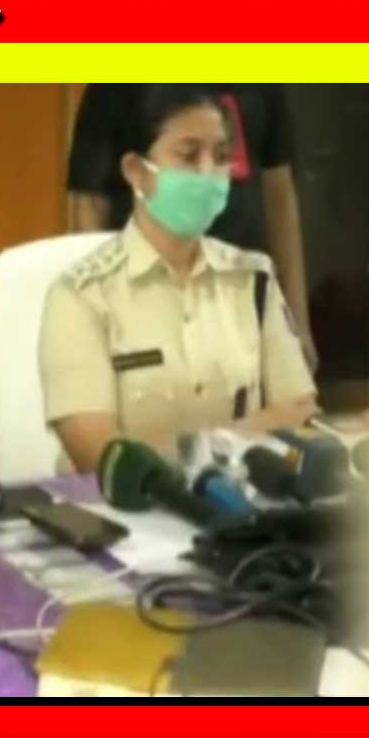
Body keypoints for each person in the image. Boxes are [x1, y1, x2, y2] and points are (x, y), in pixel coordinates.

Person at [40, 86, 319, 475]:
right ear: (137, 172)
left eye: (220, 156)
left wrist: (202, 446)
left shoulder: (254, 280)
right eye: (188, 156)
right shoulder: (81, 296)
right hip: (122, 509)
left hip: (239, 503)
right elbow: (103, 456)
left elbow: (300, 415)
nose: (208, 173)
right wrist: (238, 438)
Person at [67, 83, 319, 374]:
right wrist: (99, 308)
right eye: (188, 154)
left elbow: (279, 193)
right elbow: (88, 200)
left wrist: (296, 318)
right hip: (147, 292)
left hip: (241, 295)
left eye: (221, 155)